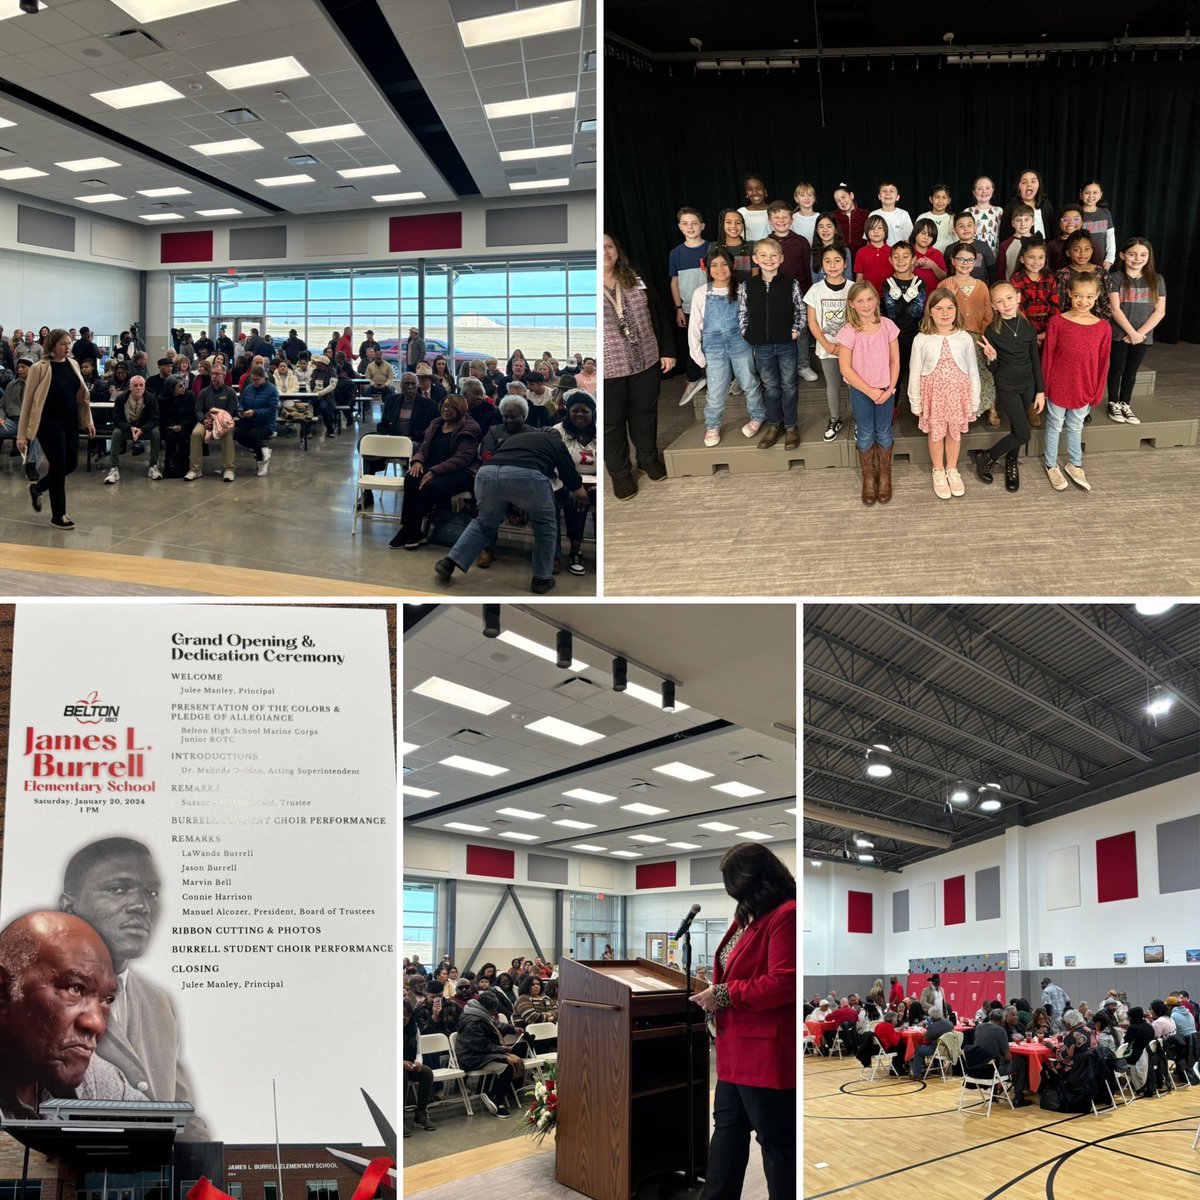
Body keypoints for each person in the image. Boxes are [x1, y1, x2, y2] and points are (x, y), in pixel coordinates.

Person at [55, 839, 208, 1137]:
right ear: (68, 907)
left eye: (151, 892)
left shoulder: (160, 1002)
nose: (141, 906)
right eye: (118, 889)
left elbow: (183, 1112)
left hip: (157, 1175)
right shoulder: (37, 994)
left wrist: (202, 1167)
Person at [688, 842, 795, 1200]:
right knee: (726, 1143)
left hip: (764, 1056)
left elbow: (784, 982)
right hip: (734, 1053)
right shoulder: (746, 916)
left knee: (777, 1149)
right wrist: (718, 992)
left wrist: (723, 995)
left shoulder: (786, 914)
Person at [0, 911, 146, 1119]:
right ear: (4, 991)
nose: (97, 1024)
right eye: (76, 989)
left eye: (107, 1000)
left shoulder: (97, 1080)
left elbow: (158, 1135)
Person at [434, 427, 589, 593]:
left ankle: (449, 562)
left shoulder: (515, 437)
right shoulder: (555, 442)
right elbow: (567, 472)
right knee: (545, 525)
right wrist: (579, 489)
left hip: (486, 474)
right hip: (526, 475)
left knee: (484, 523)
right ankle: (542, 579)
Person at [603, 232, 673, 500]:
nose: (606, 252)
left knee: (645, 413)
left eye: (610, 246)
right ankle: (620, 473)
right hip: (609, 370)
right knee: (612, 423)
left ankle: (647, 458)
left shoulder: (634, 277)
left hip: (646, 358)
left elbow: (659, 311)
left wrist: (667, 350)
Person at [972, 282, 1045, 491]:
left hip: (1028, 385)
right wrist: (991, 358)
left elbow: (1035, 360)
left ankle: (1011, 461)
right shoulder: (992, 331)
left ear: (1018, 297)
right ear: (993, 306)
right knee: (1023, 433)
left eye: (1009, 298)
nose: (1006, 304)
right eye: (999, 301)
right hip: (1007, 386)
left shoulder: (1028, 327)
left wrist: (1040, 390)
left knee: (1017, 428)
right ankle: (987, 456)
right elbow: (993, 369)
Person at [688, 248, 766, 447]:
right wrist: (698, 356)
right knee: (715, 390)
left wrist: (754, 348)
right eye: (714, 265)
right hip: (713, 348)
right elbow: (694, 327)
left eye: (724, 264)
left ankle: (757, 416)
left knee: (749, 382)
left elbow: (750, 321)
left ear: (732, 266)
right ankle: (713, 424)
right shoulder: (701, 292)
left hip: (740, 343)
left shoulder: (742, 290)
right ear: (707, 268)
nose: (719, 269)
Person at [908, 287, 980, 500]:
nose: (945, 313)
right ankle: (938, 470)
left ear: (956, 310)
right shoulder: (921, 339)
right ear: (930, 311)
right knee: (936, 433)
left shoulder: (964, 337)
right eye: (939, 308)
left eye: (950, 308)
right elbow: (915, 372)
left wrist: (974, 399)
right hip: (934, 396)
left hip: (958, 395)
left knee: (954, 433)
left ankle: (952, 469)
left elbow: (972, 370)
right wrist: (916, 402)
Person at [1042, 274, 1112, 492]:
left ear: (1097, 296)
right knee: (1054, 424)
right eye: (1079, 295)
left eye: (1090, 296)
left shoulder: (1103, 328)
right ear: (1070, 294)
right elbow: (1048, 357)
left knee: (1075, 426)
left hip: (1085, 386)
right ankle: (1051, 464)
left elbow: (1103, 363)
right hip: (1059, 385)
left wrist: (1097, 391)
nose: (1084, 301)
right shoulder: (1057, 322)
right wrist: (1044, 388)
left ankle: (1075, 463)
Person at [20, 329, 95, 529]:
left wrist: (88, 422)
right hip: (48, 424)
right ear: (52, 346)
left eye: (69, 343)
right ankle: (58, 515)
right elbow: (27, 403)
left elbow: (82, 399)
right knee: (59, 465)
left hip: (70, 422)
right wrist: (22, 435)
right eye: (63, 344)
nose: (67, 347)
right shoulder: (39, 368)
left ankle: (38, 488)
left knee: (71, 464)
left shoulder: (74, 364)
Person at [836, 280, 899, 506]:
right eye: (860, 301)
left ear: (877, 300)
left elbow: (894, 361)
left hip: (885, 390)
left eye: (870, 299)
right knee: (865, 432)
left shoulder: (888, 326)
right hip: (862, 391)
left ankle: (884, 474)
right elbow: (845, 368)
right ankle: (868, 478)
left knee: (883, 431)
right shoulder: (848, 331)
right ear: (852, 304)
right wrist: (871, 391)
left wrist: (890, 388)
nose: (866, 304)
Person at [739, 237, 805, 450]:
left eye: (774, 255)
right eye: (764, 255)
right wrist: (746, 333)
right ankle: (774, 425)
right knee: (770, 387)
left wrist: (795, 331)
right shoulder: (748, 286)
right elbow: (743, 312)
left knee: (789, 385)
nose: (769, 259)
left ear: (781, 258)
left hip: (786, 344)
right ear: (755, 259)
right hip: (762, 346)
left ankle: (791, 425)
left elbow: (800, 310)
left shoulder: (791, 283)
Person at [392, 394, 479, 550]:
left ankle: (408, 529)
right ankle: (414, 529)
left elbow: (461, 459)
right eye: (444, 406)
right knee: (411, 478)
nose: (446, 409)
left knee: (431, 486)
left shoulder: (470, 427)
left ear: (461, 409)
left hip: (460, 472)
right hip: (434, 467)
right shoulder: (436, 424)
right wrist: (417, 461)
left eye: (451, 407)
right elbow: (423, 448)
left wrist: (433, 472)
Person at [1107, 237, 1165, 425]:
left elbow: (1160, 311)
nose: (1137, 258)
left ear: (1149, 257)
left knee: (1131, 372)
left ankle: (1126, 403)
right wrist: (1131, 332)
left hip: (1142, 337)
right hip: (1119, 334)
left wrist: (1140, 334)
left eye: (1142, 255)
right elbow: (1115, 309)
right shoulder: (1115, 278)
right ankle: (1113, 402)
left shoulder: (1156, 280)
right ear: (1123, 255)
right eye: (1132, 254)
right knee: (1116, 370)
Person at [454, 989, 524, 1117]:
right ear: (486, 1008)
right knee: (508, 1066)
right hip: (472, 1058)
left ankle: (495, 1094)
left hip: (482, 1054)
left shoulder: (479, 1014)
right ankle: (498, 1100)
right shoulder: (472, 1022)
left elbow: (495, 1025)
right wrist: (503, 1050)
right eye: (492, 1010)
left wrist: (513, 1029)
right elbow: (480, 1046)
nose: (494, 1012)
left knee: (514, 1062)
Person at [550, 391, 597, 576]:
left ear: (592, 413)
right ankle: (575, 552)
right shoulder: (557, 431)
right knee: (575, 501)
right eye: (575, 411)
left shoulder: (600, 431)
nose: (579, 415)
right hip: (564, 482)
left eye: (584, 411)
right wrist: (576, 486)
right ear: (568, 412)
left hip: (595, 482)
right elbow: (553, 463)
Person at [185, 362, 239, 482]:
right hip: (206, 421)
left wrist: (218, 422)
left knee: (227, 434)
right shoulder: (204, 392)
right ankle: (195, 470)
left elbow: (232, 412)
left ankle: (229, 469)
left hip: (224, 424)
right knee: (196, 433)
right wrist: (203, 421)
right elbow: (198, 410)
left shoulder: (230, 393)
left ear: (224, 375)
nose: (214, 376)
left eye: (217, 374)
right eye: (213, 374)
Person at [973, 1007, 1031, 1106]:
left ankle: (995, 1094)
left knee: (996, 1060)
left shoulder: (979, 1027)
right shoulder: (1000, 1031)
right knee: (1023, 1062)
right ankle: (1018, 1098)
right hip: (994, 1070)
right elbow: (1008, 1057)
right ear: (1002, 1020)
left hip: (977, 1068)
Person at [234, 364, 280, 476]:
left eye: (257, 379)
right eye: (252, 379)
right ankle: (263, 451)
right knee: (236, 434)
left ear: (264, 377)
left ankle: (261, 461)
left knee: (252, 435)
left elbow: (272, 409)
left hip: (266, 424)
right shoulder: (248, 388)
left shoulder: (272, 390)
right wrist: (241, 411)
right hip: (249, 421)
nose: (254, 382)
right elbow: (242, 403)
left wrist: (255, 412)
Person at [401, 998, 436, 1136]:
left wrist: (418, 1062)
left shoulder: (414, 1028)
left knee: (427, 1072)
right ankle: (399, 1118)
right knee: (401, 1075)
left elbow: (419, 1051)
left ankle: (420, 1114)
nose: (404, 1017)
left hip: (410, 1064)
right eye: (401, 1014)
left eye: (407, 1014)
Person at [3, 356, 41, 481]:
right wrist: (0, 416)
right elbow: (2, 404)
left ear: (31, 369)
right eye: (18, 367)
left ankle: (31, 464)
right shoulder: (11, 385)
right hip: (14, 421)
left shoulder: (39, 386)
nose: (20, 370)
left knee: (37, 433)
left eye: (23, 367)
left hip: (32, 421)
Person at [158, 374, 195, 477]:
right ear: (172, 388)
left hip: (185, 425)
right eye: (180, 386)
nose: (183, 387)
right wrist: (172, 425)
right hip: (168, 426)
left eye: (183, 384)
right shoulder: (162, 398)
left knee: (183, 437)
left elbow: (191, 414)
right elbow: (162, 416)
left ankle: (184, 466)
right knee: (171, 436)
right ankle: (170, 466)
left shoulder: (189, 395)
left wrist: (182, 426)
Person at [853, 214, 893, 295]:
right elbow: (859, 278)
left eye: (879, 228)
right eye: (872, 228)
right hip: (868, 295)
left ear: (885, 231)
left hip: (890, 294)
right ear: (866, 232)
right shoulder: (861, 252)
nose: (876, 231)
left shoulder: (892, 251)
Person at [915, 184, 955, 252]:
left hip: (949, 255)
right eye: (937, 197)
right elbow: (915, 239)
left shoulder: (953, 218)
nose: (940, 201)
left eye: (944, 197)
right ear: (931, 199)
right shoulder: (922, 217)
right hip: (927, 256)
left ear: (949, 200)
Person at [736, 172, 771, 241]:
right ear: (746, 193)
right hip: (748, 250)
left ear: (765, 191)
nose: (754, 192)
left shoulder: (775, 210)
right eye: (750, 189)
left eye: (758, 188)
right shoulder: (741, 212)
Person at [832, 182, 868, 248]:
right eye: (838, 201)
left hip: (861, 254)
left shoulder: (865, 214)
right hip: (841, 254)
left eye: (843, 197)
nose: (842, 202)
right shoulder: (833, 216)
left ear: (851, 195)